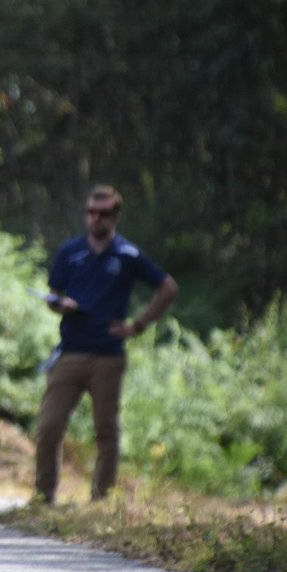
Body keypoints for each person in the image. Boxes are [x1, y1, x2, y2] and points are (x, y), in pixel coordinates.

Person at [34, 185, 179, 504]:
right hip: (70, 351)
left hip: (108, 355)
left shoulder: (128, 255)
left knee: (106, 431)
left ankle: (101, 499)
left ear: (116, 215)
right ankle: (44, 497)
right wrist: (62, 305)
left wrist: (137, 326)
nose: (96, 219)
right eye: (91, 212)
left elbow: (168, 287)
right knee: (48, 426)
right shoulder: (71, 251)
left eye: (104, 213)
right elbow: (53, 296)